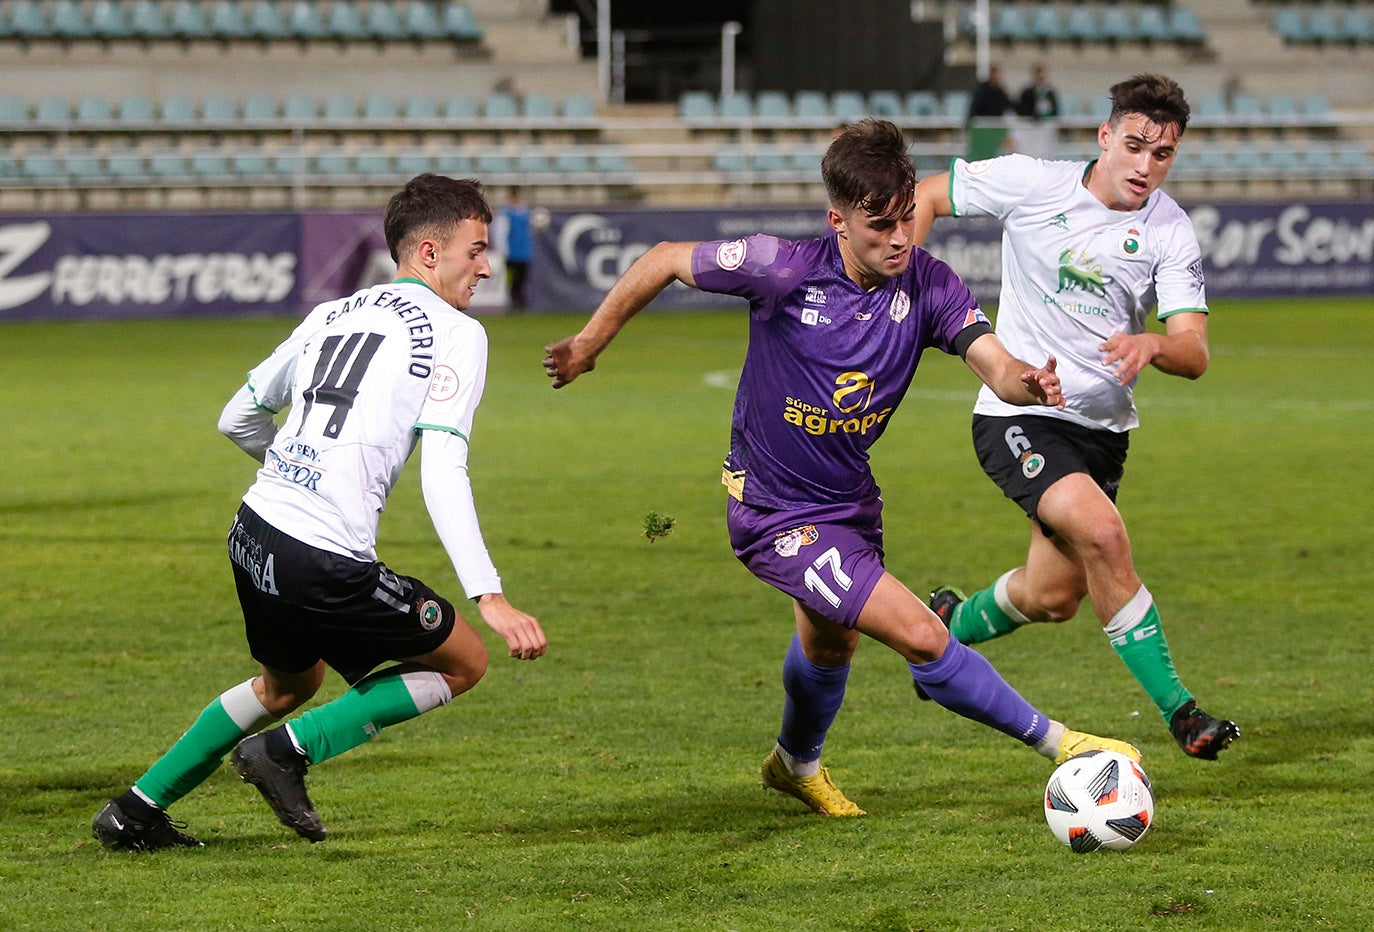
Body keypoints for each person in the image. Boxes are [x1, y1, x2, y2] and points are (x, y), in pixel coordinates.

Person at [542, 119, 1140, 818]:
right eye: (879, 225)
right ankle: (1061, 744)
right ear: (838, 221)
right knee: (920, 632)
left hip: (849, 501)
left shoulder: (931, 285)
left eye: (905, 220)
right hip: (772, 513)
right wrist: (590, 342)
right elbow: (668, 256)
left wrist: (1023, 383)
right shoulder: (782, 268)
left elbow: (992, 359)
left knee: (831, 641)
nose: (898, 238)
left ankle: (794, 764)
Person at [92, 174, 548, 851]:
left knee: (288, 682)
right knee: (465, 661)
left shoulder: (332, 312)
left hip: (253, 532)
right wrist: (491, 594)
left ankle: (133, 812)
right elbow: (444, 466)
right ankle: (287, 753)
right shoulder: (459, 333)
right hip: (320, 556)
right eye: (476, 250)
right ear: (429, 252)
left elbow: (236, 416)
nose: (487, 266)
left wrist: (295, 470)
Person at [910, 73, 1239, 760]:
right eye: (1135, 145)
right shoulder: (1034, 183)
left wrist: (1153, 344)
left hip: (1102, 432)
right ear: (1104, 136)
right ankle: (1183, 713)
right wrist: (900, 281)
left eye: (1163, 153)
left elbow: (1195, 352)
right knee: (1103, 535)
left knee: (1052, 597)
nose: (1146, 165)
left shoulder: (1169, 229)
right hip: (1017, 410)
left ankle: (945, 624)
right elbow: (927, 195)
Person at [503, 187, 533, 310]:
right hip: (511, 253)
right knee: (513, 279)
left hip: (524, 252)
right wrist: (504, 250)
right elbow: (502, 233)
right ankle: (513, 302)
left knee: (522, 278)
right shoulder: (506, 214)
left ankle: (521, 302)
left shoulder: (526, 212)